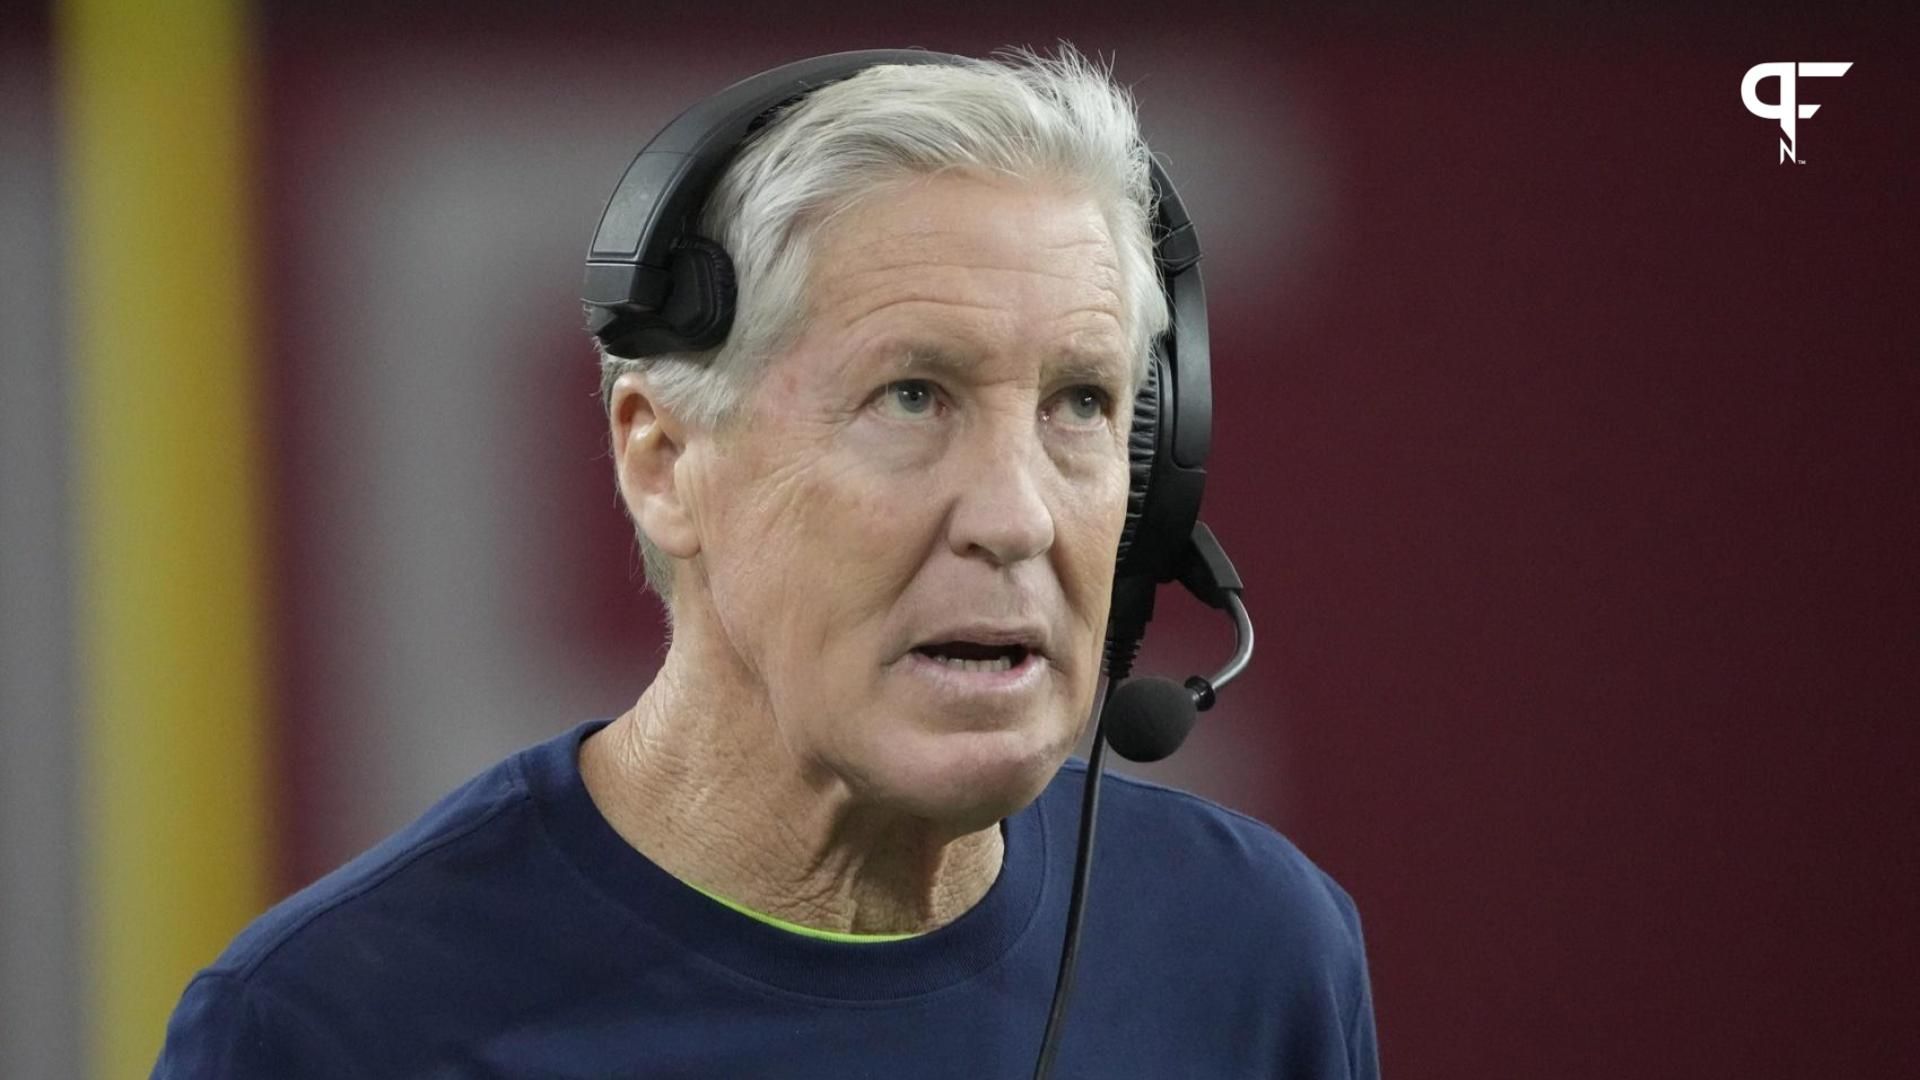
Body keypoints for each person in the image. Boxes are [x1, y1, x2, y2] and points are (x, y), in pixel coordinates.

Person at [154, 48, 1378, 1078]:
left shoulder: (1255, 954)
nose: (1016, 517)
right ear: (664, 456)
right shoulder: (329, 1028)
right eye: (912, 396)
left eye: (1079, 404)